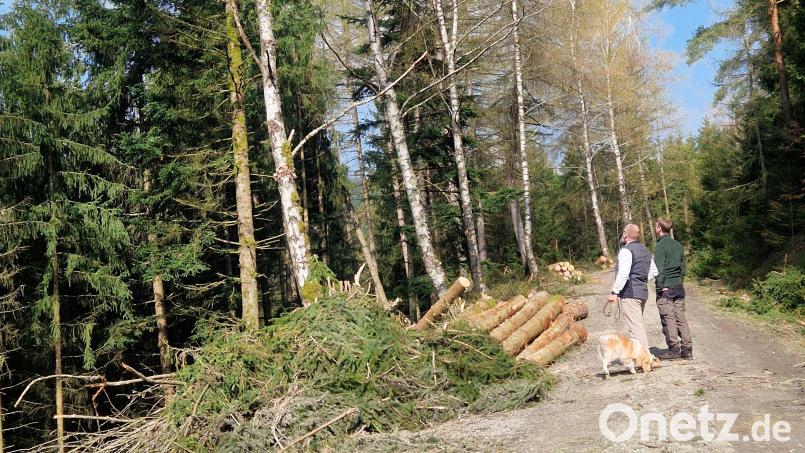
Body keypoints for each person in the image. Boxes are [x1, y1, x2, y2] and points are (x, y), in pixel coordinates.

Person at [608, 224, 658, 351]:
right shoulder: (645, 249)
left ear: (626, 234)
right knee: (635, 325)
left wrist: (614, 292)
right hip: (642, 293)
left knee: (635, 327)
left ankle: (645, 357)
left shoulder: (626, 251)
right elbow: (654, 271)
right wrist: (641, 281)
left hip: (630, 294)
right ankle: (639, 356)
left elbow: (623, 274)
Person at [653, 217, 692, 359]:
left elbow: (659, 270)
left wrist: (660, 287)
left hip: (666, 288)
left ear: (659, 228)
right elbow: (683, 268)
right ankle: (687, 349)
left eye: (656, 225)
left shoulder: (660, 246)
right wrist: (679, 281)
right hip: (678, 286)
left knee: (668, 318)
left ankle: (674, 349)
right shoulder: (678, 245)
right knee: (680, 317)